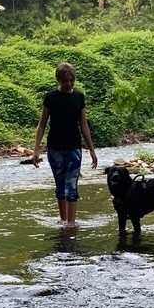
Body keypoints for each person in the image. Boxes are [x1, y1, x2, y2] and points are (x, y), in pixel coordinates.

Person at [31, 62, 99, 226]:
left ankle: (71, 224)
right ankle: (63, 221)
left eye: (71, 80)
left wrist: (91, 150)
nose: (68, 84)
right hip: (55, 147)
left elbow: (84, 126)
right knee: (60, 185)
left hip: (74, 147)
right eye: (65, 81)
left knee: (71, 186)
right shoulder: (51, 97)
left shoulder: (78, 97)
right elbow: (41, 125)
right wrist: (36, 150)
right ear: (58, 80)